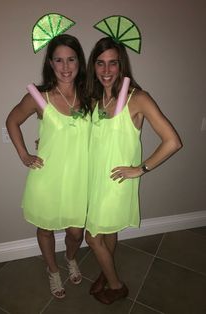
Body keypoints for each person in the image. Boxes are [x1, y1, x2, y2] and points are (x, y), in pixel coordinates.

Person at [85, 37, 182, 305]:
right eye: (100, 64)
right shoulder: (96, 100)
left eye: (112, 63)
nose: (106, 70)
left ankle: (116, 285)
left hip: (116, 183)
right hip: (95, 182)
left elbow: (172, 141)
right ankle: (107, 273)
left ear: (121, 65)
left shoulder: (137, 98)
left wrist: (140, 169)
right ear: (93, 67)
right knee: (108, 232)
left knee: (92, 238)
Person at [6, 34, 90, 299]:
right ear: (50, 64)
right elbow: (12, 121)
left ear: (79, 62)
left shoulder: (90, 95)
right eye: (59, 60)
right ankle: (53, 270)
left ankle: (70, 256)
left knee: (76, 231)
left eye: (71, 59)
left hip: (79, 177)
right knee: (46, 227)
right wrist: (24, 154)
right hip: (48, 176)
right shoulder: (39, 97)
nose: (65, 67)